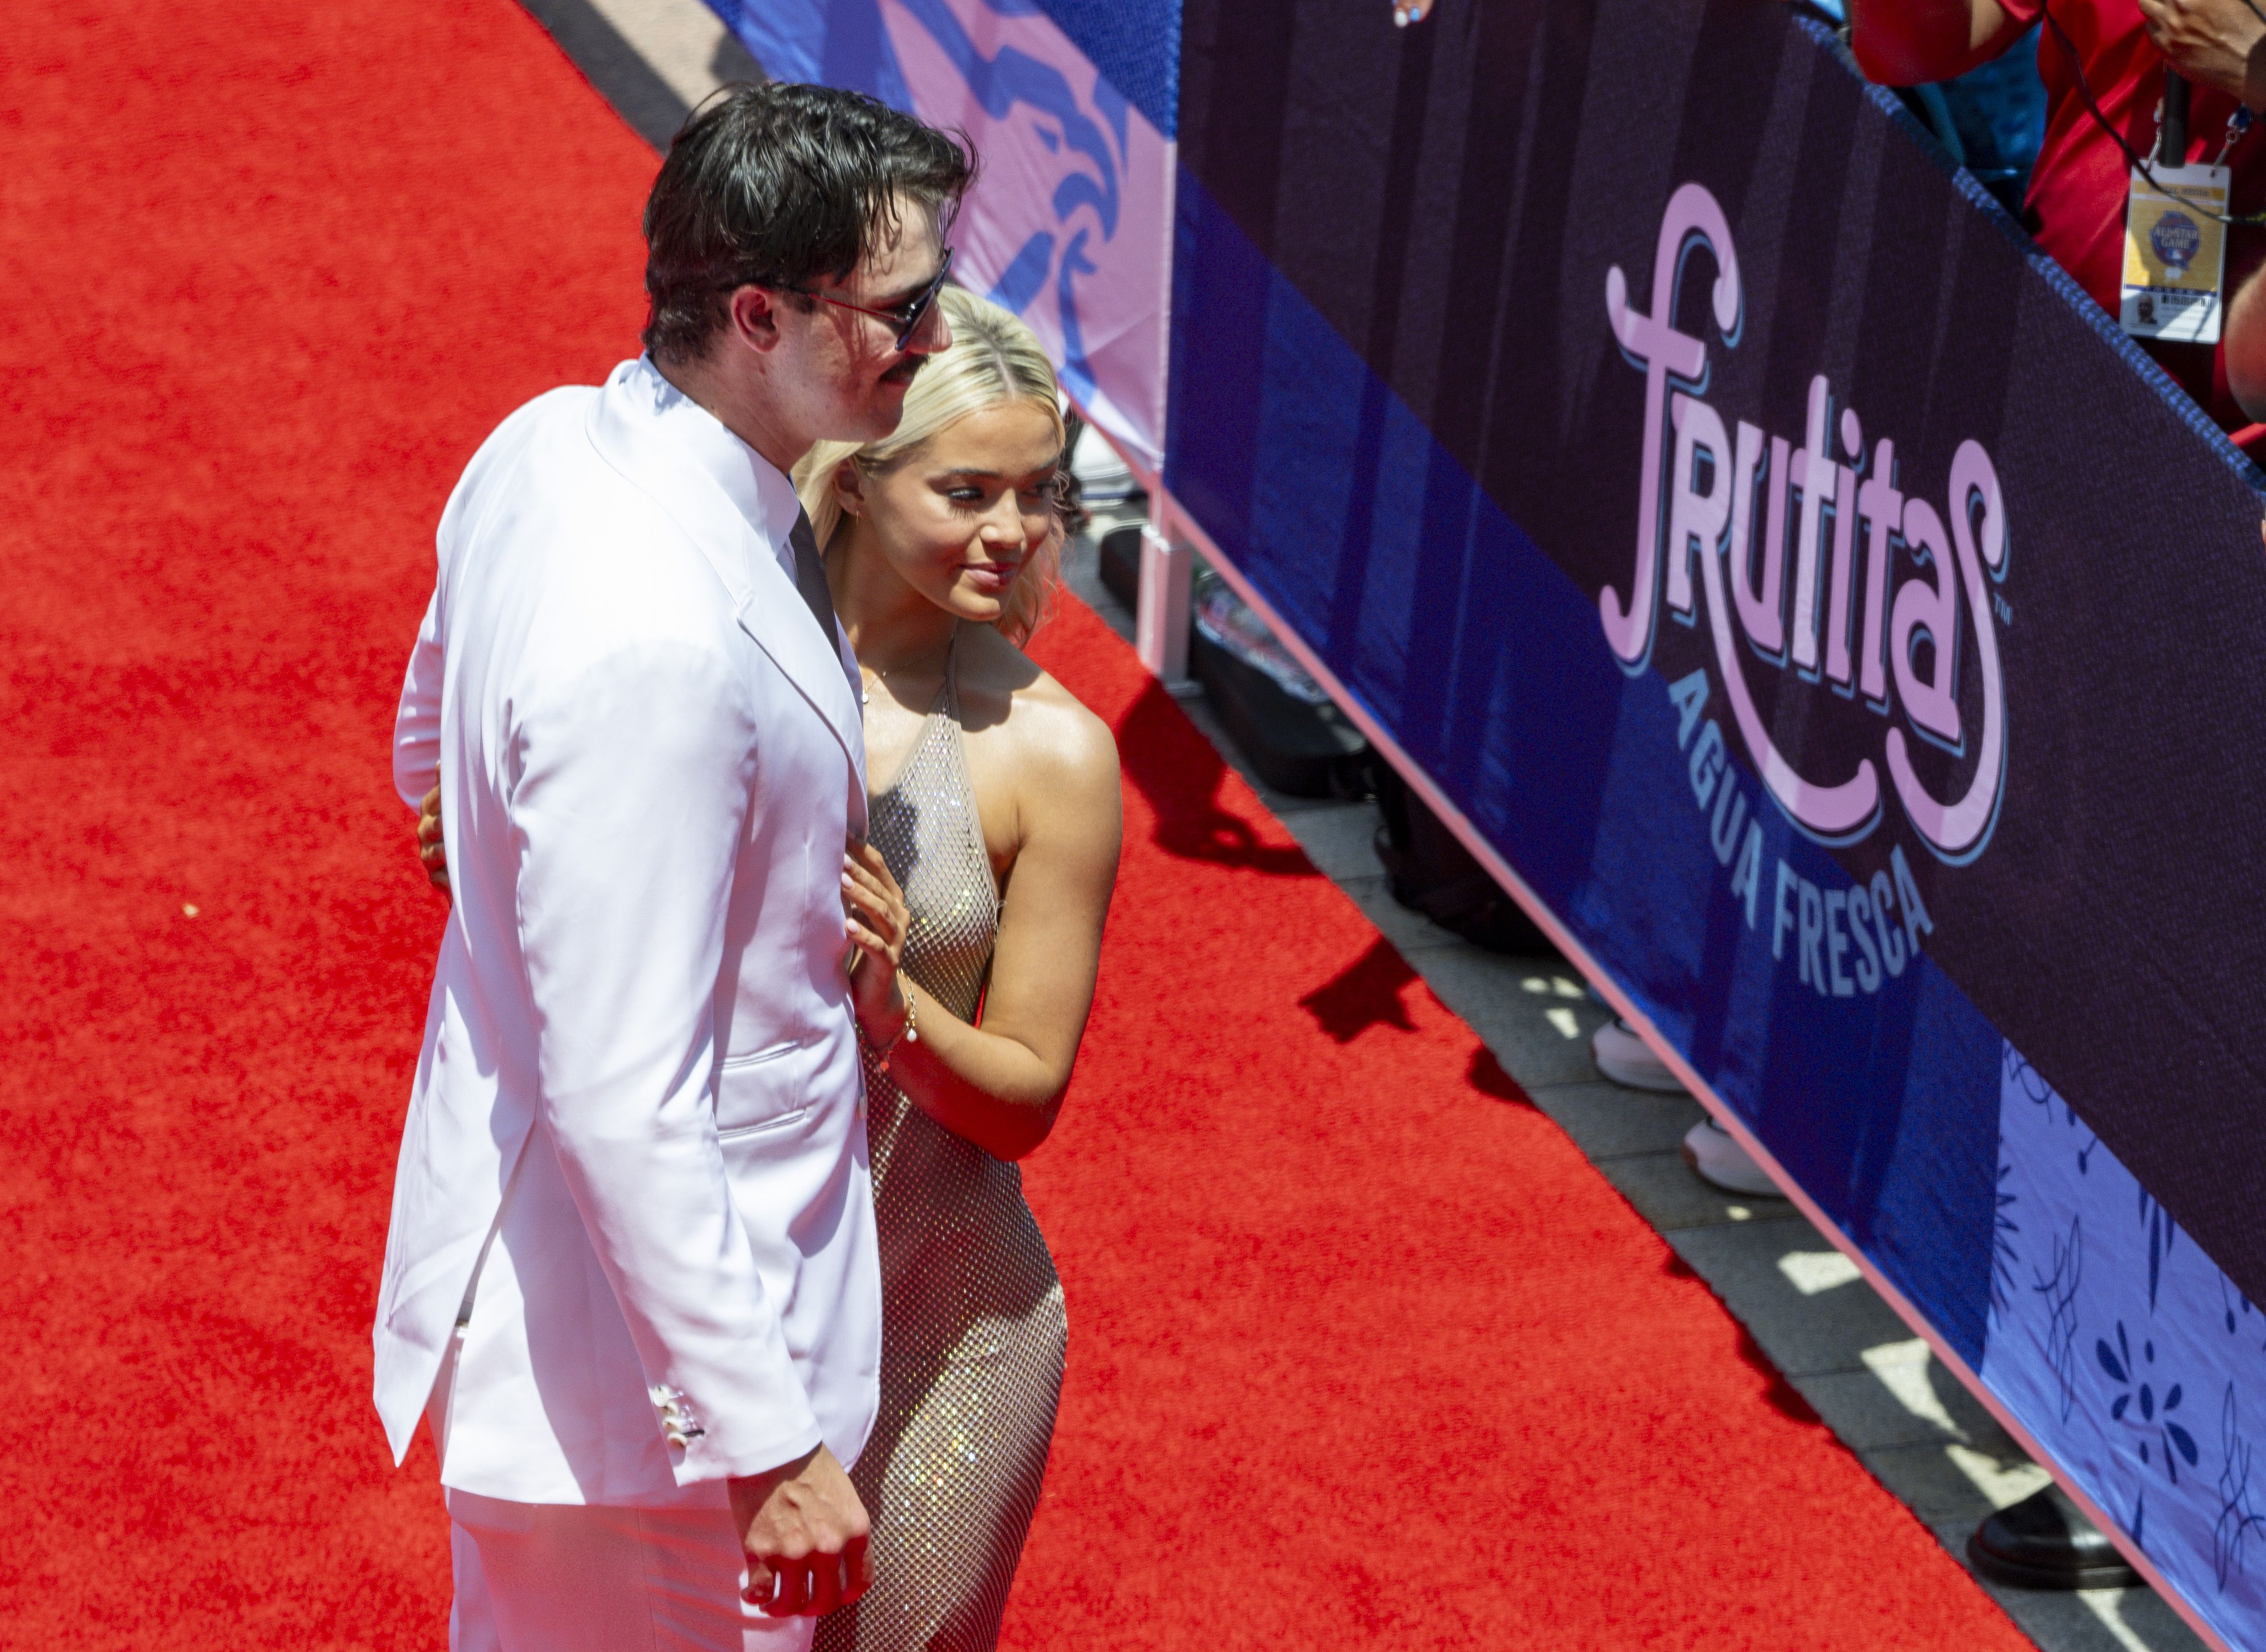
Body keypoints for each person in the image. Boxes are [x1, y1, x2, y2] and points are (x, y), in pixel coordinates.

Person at [416, 284, 1125, 1650]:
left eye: (1043, 496)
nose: (1015, 533)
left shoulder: (1053, 754)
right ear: (858, 478)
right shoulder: (702, 652)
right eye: (968, 489)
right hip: (708, 1308)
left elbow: (1027, 1101)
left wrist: (891, 1007)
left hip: (940, 1320)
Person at [375, 83, 970, 1651]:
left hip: (611, 1358)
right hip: (645, 1423)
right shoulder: (655, 639)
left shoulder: (541, 444)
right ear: (759, 312)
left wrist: (549, 888)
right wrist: (761, 1442)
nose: (932, 339)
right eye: (902, 308)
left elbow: (425, 757)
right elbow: (623, 1096)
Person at [1851, 0, 2266, 442]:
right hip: (2050, 366)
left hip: (2239, 453)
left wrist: (2256, 74)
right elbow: (1909, 51)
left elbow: (2255, 376)